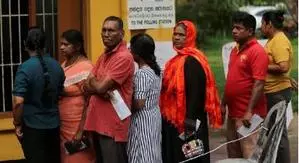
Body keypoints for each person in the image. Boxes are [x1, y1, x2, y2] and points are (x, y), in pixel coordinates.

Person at [160, 20, 222, 163]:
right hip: (176, 120)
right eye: (175, 34)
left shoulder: (192, 61)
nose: (176, 37)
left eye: (181, 35)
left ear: (190, 36)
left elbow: (196, 95)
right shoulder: (176, 60)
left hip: (189, 121)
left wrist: (189, 123)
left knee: (191, 157)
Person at [83, 16, 135, 163]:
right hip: (98, 122)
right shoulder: (104, 55)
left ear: (121, 33)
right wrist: (97, 86)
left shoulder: (124, 57)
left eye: (111, 30)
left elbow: (98, 86)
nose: (106, 34)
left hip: (113, 125)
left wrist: (96, 85)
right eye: (104, 30)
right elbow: (86, 85)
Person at [12, 27, 65, 163]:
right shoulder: (57, 66)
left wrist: (17, 124)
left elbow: (18, 102)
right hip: (54, 126)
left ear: (25, 44)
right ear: (45, 44)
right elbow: (60, 93)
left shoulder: (25, 68)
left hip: (32, 127)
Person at [221, 12, 269, 159]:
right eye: (233, 27)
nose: (234, 31)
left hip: (248, 117)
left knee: (250, 156)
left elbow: (259, 83)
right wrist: (223, 104)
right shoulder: (234, 51)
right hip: (233, 114)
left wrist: (249, 111)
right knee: (234, 156)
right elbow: (230, 80)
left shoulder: (257, 51)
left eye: (239, 28)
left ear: (250, 31)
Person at [261, 10, 293, 163]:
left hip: (277, 92)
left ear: (269, 24)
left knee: (278, 134)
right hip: (273, 92)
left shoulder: (279, 40)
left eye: (262, 24)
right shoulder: (273, 39)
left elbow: (283, 66)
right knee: (275, 132)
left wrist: (261, 65)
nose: (261, 27)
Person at [59, 29, 95, 163]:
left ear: (78, 46)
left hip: (77, 126)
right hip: (63, 126)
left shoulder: (86, 67)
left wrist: (81, 130)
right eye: (61, 44)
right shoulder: (64, 64)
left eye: (66, 44)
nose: (61, 47)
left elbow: (90, 101)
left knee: (79, 158)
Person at [127, 33, 162, 163]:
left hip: (142, 119)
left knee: (142, 153)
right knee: (152, 151)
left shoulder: (142, 73)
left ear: (137, 53)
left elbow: (139, 103)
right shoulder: (155, 70)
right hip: (153, 115)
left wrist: (124, 103)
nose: (129, 51)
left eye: (131, 48)